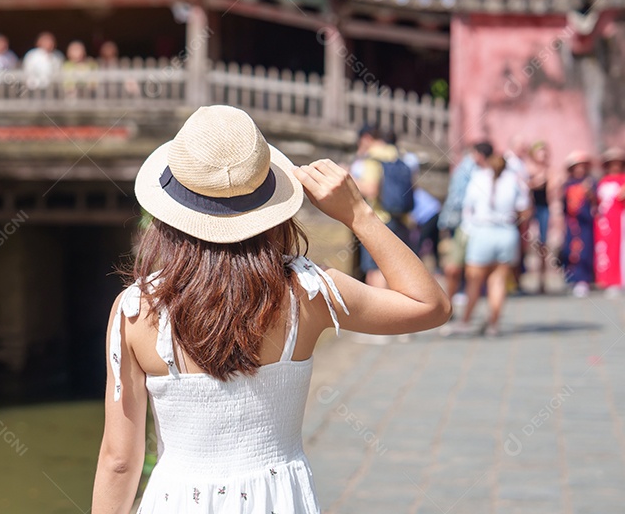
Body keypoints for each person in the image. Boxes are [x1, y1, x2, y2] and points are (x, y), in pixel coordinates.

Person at [92, 105, 451, 513]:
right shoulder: (308, 291)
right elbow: (430, 305)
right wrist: (358, 214)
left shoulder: (136, 310)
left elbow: (119, 461)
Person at [446, 154, 529, 337]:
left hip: (482, 231)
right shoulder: (515, 180)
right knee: (498, 280)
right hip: (507, 232)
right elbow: (524, 210)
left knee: (474, 280)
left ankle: (466, 320)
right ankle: (493, 324)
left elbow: (468, 207)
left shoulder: (478, 178)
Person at [354, 125, 415, 288]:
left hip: (380, 218)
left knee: (376, 270)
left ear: (366, 138)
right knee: (396, 268)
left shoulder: (373, 156)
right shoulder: (399, 153)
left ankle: (379, 305)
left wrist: (349, 178)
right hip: (402, 218)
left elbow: (371, 189)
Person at [438, 142, 493, 306]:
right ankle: (459, 293)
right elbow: (458, 197)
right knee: (459, 262)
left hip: (465, 222)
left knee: (460, 262)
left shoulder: (472, 168)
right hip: (464, 222)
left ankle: (459, 293)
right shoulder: (474, 169)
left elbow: (455, 196)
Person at [561, 150, 597, 297]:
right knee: (570, 251)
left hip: (586, 223)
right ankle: (573, 278)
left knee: (586, 251)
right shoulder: (567, 184)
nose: (580, 169)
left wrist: (589, 193)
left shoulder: (591, 182)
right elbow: (564, 206)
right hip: (572, 224)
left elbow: (596, 203)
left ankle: (584, 280)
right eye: (577, 166)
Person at [595, 148, 625, 296]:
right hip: (604, 221)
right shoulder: (603, 181)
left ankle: (618, 281)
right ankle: (606, 280)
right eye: (612, 163)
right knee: (605, 250)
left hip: (619, 219)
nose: (615, 166)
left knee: (618, 249)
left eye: (617, 163)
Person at [525, 141, 553, 294]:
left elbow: (553, 189)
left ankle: (542, 281)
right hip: (530, 209)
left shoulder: (550, 171)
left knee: (543, 245)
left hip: (543, 210)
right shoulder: (528, 169)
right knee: (525, 242)